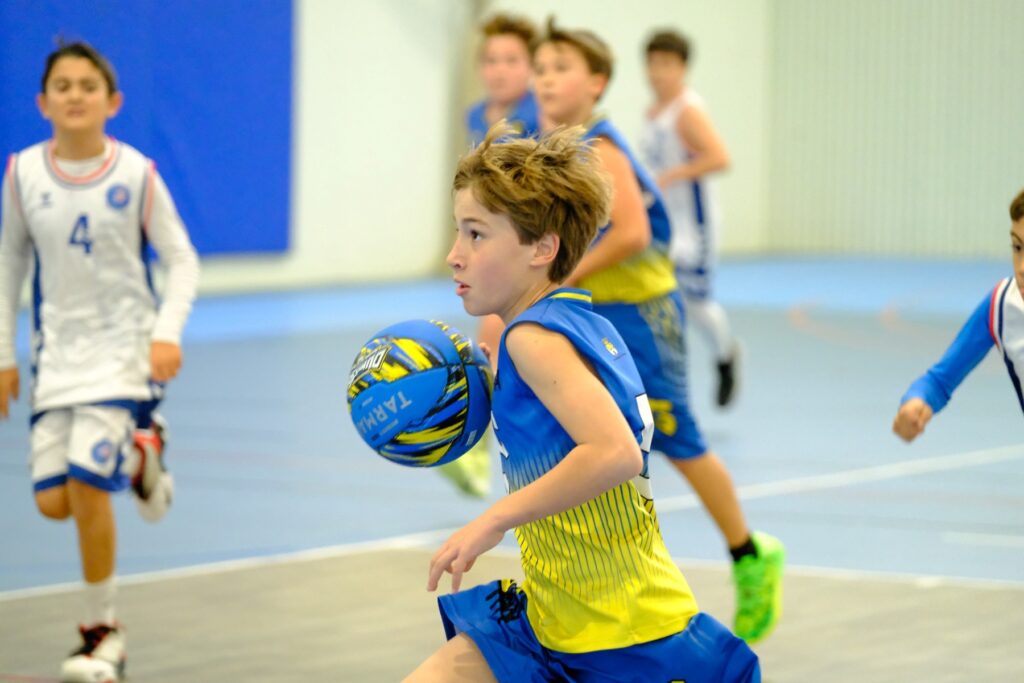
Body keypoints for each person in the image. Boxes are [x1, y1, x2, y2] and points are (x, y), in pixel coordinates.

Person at [403, 122, 760, 682]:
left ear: (543, 248)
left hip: (625, 637)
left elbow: (614, 452)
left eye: (476, 234)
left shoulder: (533, 340)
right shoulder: (578, 324)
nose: (454, 255)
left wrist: (492, 520)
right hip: (552, 622)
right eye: (457, 232)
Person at [531, 18, 783, 643]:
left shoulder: (602, 144)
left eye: (560, 67)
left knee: (677, 439)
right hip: (597, 314)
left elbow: (633, 235)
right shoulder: (556, 146)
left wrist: (552, 280)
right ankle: (596, 578)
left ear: (597, 82)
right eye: (540, 68)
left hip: (643, 317)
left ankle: (750, 556)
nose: (545, 78)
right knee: (594, 440)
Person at [0, 41, 200, 682]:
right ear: (42, 102)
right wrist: (5, 352)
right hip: (57, 360)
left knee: (89, 489)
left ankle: (101, 635)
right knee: (55, 502)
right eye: (63, 84)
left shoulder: (136, 172)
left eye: (89, 84)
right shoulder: (23, 173)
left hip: (123, 358)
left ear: (112, 102)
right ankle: (144, 454)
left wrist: (165, 333)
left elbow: (182, 258)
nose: (75, 93)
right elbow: (8, 267)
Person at [441, 13, 541, 499]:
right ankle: (481, 448)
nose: (499, 69)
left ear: (531, 67)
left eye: (511, 60)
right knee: (494, 340)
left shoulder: (541, 116)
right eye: (491, 60)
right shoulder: (477, 117)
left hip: (539, 257)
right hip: (501, 258)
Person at [640, 29, 740, 408]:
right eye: (652, 63)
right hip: (663, 222)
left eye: (666, 64)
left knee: (696, 303)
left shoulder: (688, 111)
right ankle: (664, 386)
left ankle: (726, 354)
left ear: (683, 68)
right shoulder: (652, 112)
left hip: (694, 225)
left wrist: (671, 176)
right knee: (660, 298)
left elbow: (720, 158)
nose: (657, 72)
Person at [893, 187, 1024, 439]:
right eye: (1017, 248)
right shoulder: (1002, 306)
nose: (1021, 268)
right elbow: (939, 381)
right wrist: (917, 401)